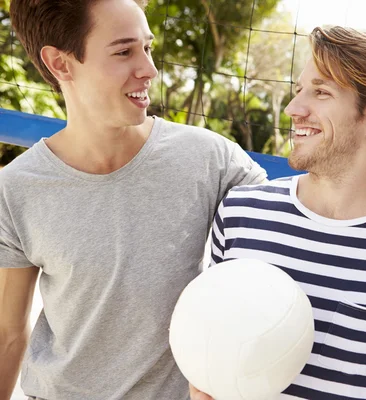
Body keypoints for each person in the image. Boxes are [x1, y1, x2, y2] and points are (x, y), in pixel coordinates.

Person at [0, 1, 266, 399]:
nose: (149, 69)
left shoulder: (214, 161)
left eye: (148, 47)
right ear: (61, 63)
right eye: (124, 51)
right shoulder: (16, 188)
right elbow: (7, 333)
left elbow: (301, 229)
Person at [191, 26, 366, 400]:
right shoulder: (243, 213)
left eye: (321, 92)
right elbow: (212, 352)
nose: (294, 109)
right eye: (298, 91)